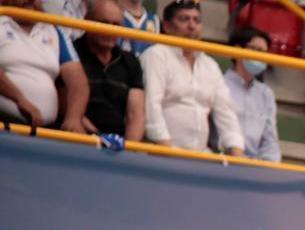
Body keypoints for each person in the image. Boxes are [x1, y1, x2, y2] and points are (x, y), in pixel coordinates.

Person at [140, 0, 243, 154]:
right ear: (167, 26)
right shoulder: (156, 55)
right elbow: (151, 107)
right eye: (184, 19)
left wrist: (236, 151)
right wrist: (167, 150)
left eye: (197, 20)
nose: (192, 26)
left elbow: (226, 113)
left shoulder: (210, 65)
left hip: (200, 155)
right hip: (160, 152)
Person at [0, 0, 88, 132]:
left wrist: (73, 118)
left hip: (45, 130)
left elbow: (78, 81)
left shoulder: (54, 30)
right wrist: (20, 100)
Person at [74, 0, 144, 140]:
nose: (110, 30)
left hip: (118, 147)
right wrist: (98, 140)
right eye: (104, 23)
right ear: (87, 21)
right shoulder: (72, 53)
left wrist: (129, 151)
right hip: (80, 139)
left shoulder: (131, 62)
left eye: (116, 25)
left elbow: (136, 115)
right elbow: (68, 108)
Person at [224, 27, 280, 163]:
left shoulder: (265, 94)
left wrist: (270, 167)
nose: (261, 56)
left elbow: (270, 139)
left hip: (255, 168)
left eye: (264, 52)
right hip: (223, 162)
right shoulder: (220, 85)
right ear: (237, 50)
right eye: (256, 50)